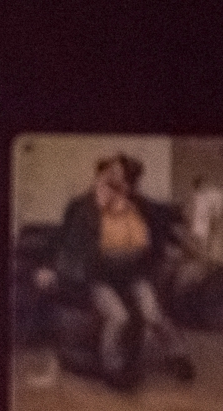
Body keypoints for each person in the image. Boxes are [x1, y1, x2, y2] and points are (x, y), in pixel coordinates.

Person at [43, 153, 195, 391]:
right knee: (118, 317)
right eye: (109, 177)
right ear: (98, 177)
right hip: (98, 277)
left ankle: (178, 355)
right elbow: (62, 241)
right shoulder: (81, 206)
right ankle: (114, 369)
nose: (115, 184)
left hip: (132, 275)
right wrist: (48, 267)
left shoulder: (135, 203)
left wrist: (180, 219)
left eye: (121, 179)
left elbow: (163, 215)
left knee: (153, 314)